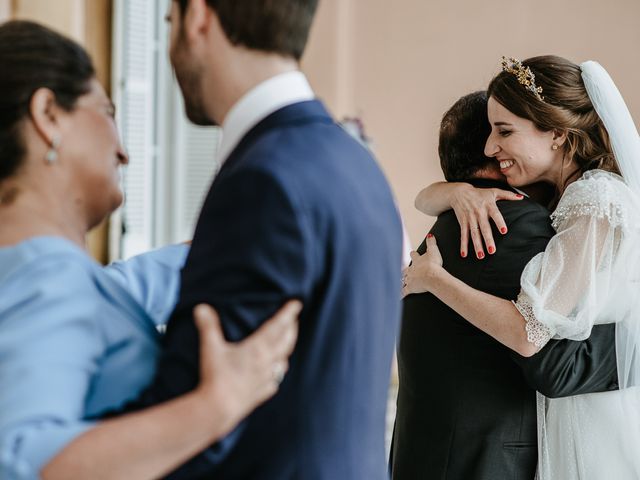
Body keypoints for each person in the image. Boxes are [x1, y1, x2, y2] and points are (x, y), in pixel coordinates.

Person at [0, 20, 300, 480]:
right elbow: (24, 463)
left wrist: (231, 243)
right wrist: (215, 406)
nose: (123, 151)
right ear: (49, 115)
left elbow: (116, 290)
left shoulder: (39, 272)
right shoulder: (46, 278)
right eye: (107, 111)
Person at [129, 0, 404, 478]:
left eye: (169, 23)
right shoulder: (355, 162)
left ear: (198, 18)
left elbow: (195, 424)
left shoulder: (263, 180)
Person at [403, 56, 640, 479]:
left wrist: (433, 278)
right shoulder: (560, 201)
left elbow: (531, 337)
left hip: (592, 415)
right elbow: (424, 199)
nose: (490, 147)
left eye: (504, 131)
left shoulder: (595, 200)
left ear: (557, 134)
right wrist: (456, 191)